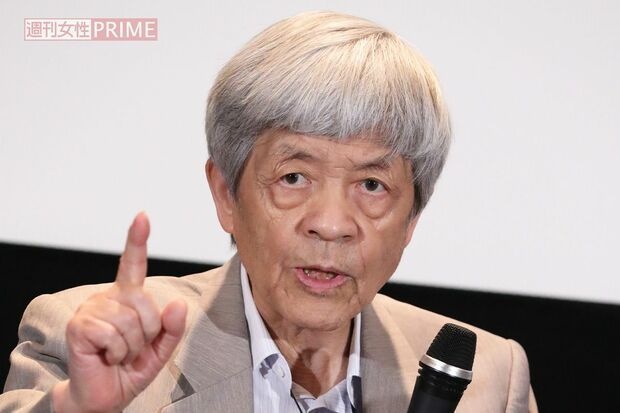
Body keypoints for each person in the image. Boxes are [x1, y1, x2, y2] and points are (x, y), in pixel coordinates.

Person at [1, 10, 537, 413]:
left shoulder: (490, 380)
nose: (331, 224)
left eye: (372, 185)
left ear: (412, 218)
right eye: (294, 177)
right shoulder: (89, 343)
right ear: (226, 195)